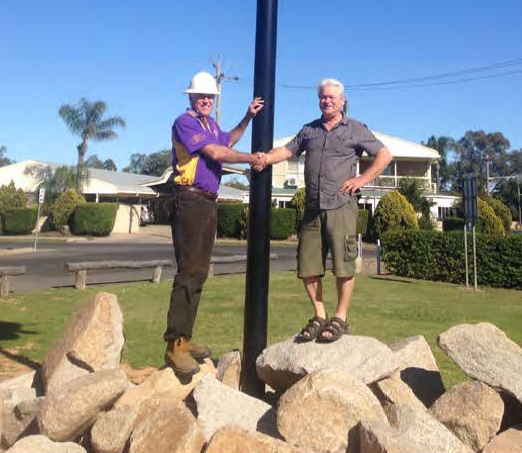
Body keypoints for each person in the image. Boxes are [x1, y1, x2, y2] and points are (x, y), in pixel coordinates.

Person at [254, 78, 391, 344]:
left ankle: (340, 317)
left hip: (341, 205)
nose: (326, 101)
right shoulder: (310, 130)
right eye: (323, 97)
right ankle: (319, 315)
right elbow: (287, 149)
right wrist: (265, 158)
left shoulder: (355, 129)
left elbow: (384, 155)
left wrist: (361, 180)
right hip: (313, 207)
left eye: (331, 97)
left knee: (343, 265)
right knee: (307, 266)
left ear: (342, 101)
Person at [164, 70, 264, 378]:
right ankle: (175, 343)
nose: (207, 100)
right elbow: (216, 152)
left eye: (211, 97)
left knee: (200, 271)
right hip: (189, 198)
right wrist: (252, 158)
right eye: (202, 96)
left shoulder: (209, 124)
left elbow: (226, 139)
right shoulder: (186, 122)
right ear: (191, 97)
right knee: (189, 271)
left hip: (207, 200)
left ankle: (186, 337)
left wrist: (247, 118)